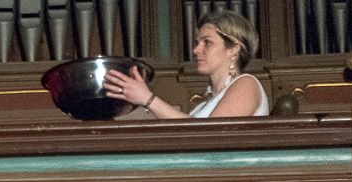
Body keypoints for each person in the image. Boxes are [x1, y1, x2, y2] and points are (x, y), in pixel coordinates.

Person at [104, 11, 269, 118]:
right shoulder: (201, 106)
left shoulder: (246, 83)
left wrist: (147, 98)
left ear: (234, 49)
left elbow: (212, 135)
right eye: (197, 43)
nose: (196, 50)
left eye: (207, 42)